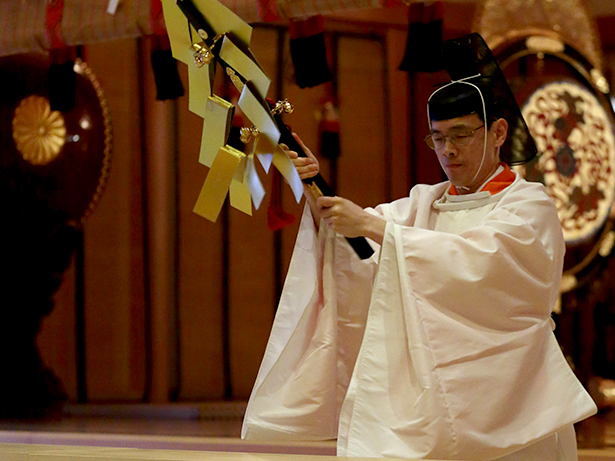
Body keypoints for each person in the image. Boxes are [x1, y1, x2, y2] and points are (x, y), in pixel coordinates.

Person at [241, 34, 597, 460]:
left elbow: (483, 265)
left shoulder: (528, 205)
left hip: (513, 394)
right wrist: (315, 188)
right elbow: (360, 254)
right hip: (442, 400)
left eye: (461, 135)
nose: (448, 151)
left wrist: (377, 228)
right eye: (438, 138)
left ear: (499, 131)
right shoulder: (424, 202)